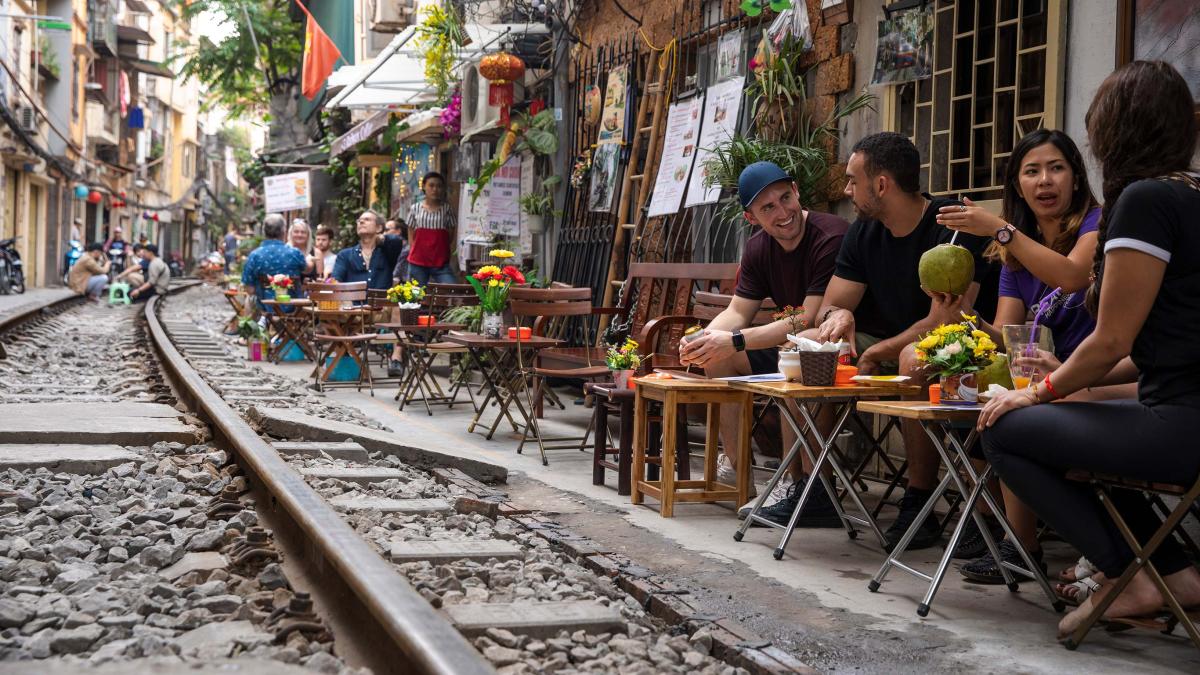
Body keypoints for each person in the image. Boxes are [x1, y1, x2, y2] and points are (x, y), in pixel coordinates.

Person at [979, 60, 1200, 639]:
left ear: (1113, 131)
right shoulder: (1192, 192)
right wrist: (1064, 387)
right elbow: (1161, 343)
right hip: (1179, 408)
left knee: (1004, 431)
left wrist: (1038, 392)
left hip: (1180, 423)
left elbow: (1111, 339)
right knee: (1065, 420)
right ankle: (1177, 573)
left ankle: (1130, 574)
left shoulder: (1146, 202)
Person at [931, 129, 1114, 582]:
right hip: (1041, 382)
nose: (1045, 181)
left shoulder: (1098, 224)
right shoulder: (1014, 255)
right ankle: (1018, 543)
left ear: (1075, 177)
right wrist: (965, 314)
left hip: (1097, 374)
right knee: (985, 406)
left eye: (1056, 168)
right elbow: (1008, 337)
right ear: (1018, 186)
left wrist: (999, 229)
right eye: (1031, 172)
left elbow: (1073, 275)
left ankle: (1025, 544)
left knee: (1009, 420)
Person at [815, 132, 991, 551]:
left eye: (852, 180)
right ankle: (813, 488)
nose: (846, 190)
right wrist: (838, 314)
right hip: (889, 341)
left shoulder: (950, 227)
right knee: (809, 342)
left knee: (914, 356)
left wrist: (878, 350)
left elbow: (945, 320)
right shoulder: (864, 231)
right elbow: (828, 306)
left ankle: (919, 500)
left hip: (958, 346)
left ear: (881, 185)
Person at [678, 161, 849, 526]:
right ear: (751, 217)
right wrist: (702, 338)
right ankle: (740, 474)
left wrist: (735, 340)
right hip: (793, 341)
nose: (783, 212)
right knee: (717, 359)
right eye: (768, 207)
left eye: (785, 198)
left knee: (793, 350)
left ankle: (795, 482)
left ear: (797, 191)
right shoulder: (758, 248)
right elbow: (738, 312)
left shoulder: (829, 234)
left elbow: (809, 316)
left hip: (832, 340)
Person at [331, 210, 406, 290]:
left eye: (367, 219)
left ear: (379, 228)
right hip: (352, 301)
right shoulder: (344, 255)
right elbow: (335, 281)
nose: (361, 222)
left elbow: (397, 241)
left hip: (380, 301)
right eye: (359, 220)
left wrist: (381, 238)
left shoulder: (387, 252)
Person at [241, 213, 307, 301]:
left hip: (264, 308)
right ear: (284, 231)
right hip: (294, 308)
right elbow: (305, 270)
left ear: (264, 231)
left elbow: (248, 287)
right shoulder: (295, 253)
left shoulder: (254, 256)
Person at [406, 172, 457, 285]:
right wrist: (413, 249)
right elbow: (410, 233)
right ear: (424, 186)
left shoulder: (447, 209)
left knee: (451, 290)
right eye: (431, 185)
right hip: (417, 261)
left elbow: (450, 235)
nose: (435, 189)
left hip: (441, 263)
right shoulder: (415, 208)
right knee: (416, 296)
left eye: (439, 186)